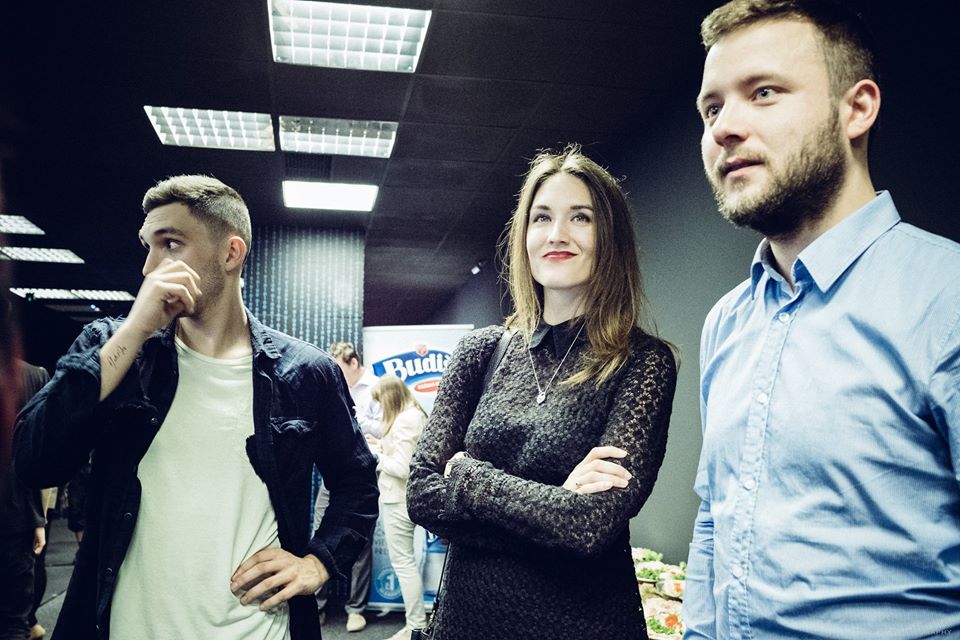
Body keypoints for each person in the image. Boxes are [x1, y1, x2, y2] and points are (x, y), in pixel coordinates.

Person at [686, 1, 960, 638]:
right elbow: (714, 519)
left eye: (764, 92)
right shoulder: (726, 322)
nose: (725, 128)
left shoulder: (946, 297)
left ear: (856, 109)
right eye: (712, 108)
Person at [13, 175, 379, 640]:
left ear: (230, 253)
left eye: (170, 244)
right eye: (147, 246)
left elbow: (357, 483)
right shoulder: (115, 349)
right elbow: (34, 460)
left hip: (257, 628)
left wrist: (319, 562)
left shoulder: (305, 372)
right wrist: (135, 330)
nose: (150, 267)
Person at [406, 145, 678, 639]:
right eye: (542, 217)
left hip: (581, 626)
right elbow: (422, 494)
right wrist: (555, 503)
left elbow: (590, 527)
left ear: (610, 236)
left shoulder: (642, 363)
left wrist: (468, 476)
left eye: (580, 218)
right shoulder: (481, 352)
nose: (557, 234)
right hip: (464, 625)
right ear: (524, 235)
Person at [313, 341, 381, 632]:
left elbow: (387, 428)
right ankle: (316, 607)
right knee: (319, 535)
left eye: (341, 368)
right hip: (332, 473)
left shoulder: (377, 387)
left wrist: (358, 423)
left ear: (353, 362)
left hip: (364, 475)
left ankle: (356, 609)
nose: (337, 375)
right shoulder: (332, 385)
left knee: (360, 542)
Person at [364, 376, 428, 640]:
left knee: (403, 564)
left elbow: (403, 468)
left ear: (390, 397)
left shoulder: (404, 420)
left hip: (397, 498)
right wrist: (381, 445)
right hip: (404, 498)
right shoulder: (412, 415)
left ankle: (415, 626)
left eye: (380, 401)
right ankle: (416, 625)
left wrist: (375, 455)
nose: (379, 407)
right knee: (406, 563)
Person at [1, 356, 49, 640]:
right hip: (15, 511)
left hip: (16, 512)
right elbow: (36, 452)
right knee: (14, 619)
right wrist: (38, 518)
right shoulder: (33, 376)